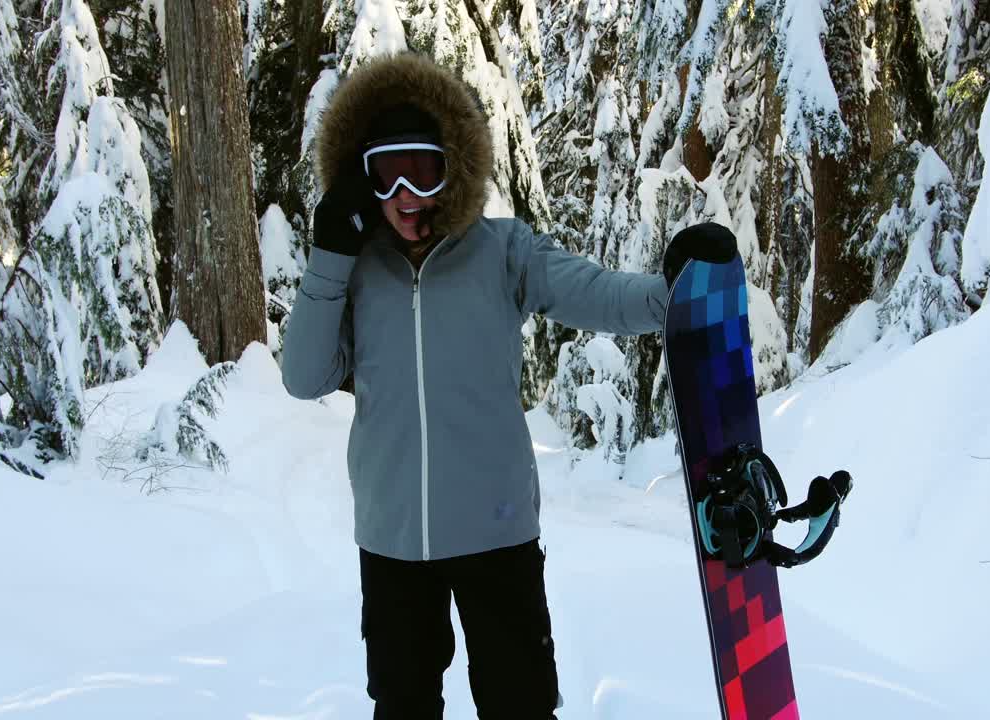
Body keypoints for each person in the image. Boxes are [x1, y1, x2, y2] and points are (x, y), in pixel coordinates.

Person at [281, 52, 737, 720]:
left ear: (452, 169)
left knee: (519, 704)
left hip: (496, 535)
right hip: (392, 542)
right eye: (385, 174)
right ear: (361, 180)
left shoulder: (501, 251)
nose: (405, 194)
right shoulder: (357, 270)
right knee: (403, 706)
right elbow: (303, 378)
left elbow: (595, 293)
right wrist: (329, 255)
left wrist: (673, 295)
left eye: (423, 169)